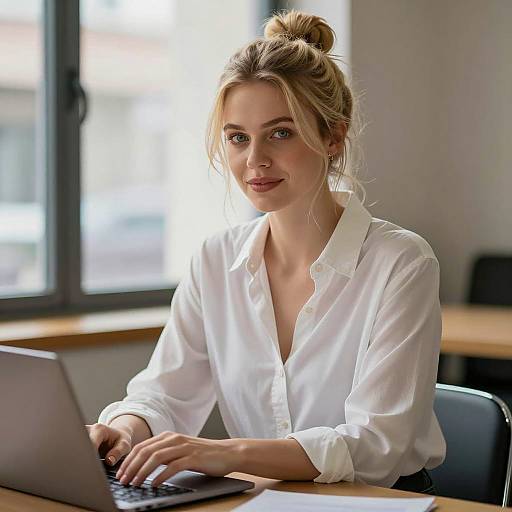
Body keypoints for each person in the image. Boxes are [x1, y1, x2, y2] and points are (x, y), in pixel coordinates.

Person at [87, 10, 445, 494]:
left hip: (380, 501)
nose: (254, 159)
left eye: (281, 132)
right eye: (238, 137)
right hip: (265, 499)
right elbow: (164, 393)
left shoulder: (401, 263)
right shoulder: (215, 262)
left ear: (333, 136)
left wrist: (225, 453)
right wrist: (126, 429)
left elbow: (377, 445)